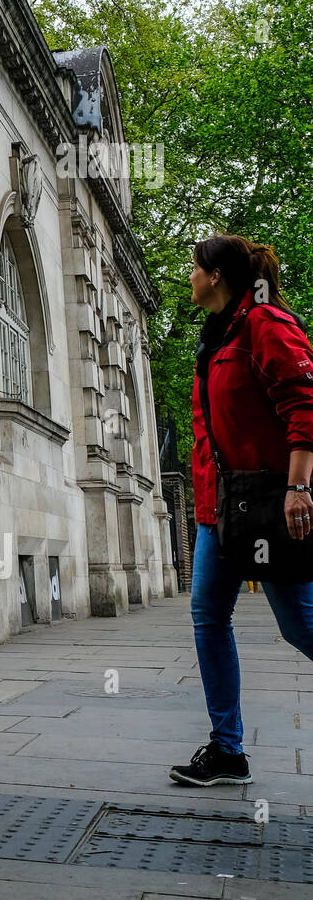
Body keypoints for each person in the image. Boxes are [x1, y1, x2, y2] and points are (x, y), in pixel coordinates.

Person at [171, 234, 313, 786]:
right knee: (208, 617)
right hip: (219, 507)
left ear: (218, 276)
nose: (190, 275)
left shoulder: (267, 326)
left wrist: (300, 490)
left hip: (271, 504)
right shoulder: (220, 334)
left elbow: (306, 408)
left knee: (300, 625)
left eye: (195, 267)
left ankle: (227, 747)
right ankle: (227, 750)